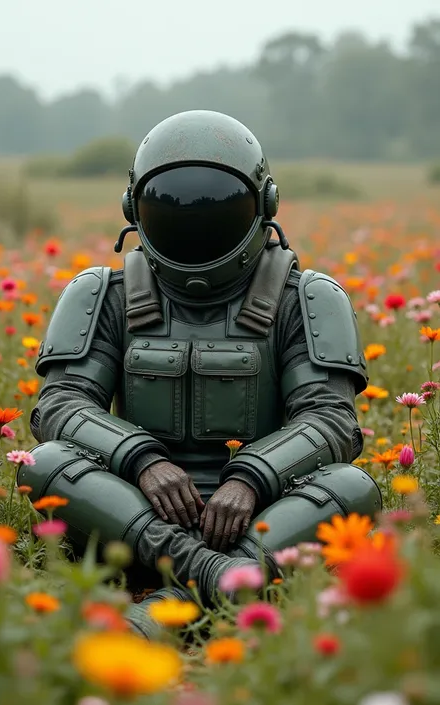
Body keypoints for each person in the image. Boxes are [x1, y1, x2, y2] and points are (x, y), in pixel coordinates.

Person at [20, 110, 381, 637]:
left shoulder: (304, 298)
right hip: (132, 512)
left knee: (353, 486)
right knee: (46, 462)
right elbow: (60, 405)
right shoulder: (104, 294)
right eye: (170, 201)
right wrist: (142, 461)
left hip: (265, 513)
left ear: (263, 206)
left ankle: (177, 597)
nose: (193, 216)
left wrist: (252, 478)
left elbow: (331, 421)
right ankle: (226, 578)